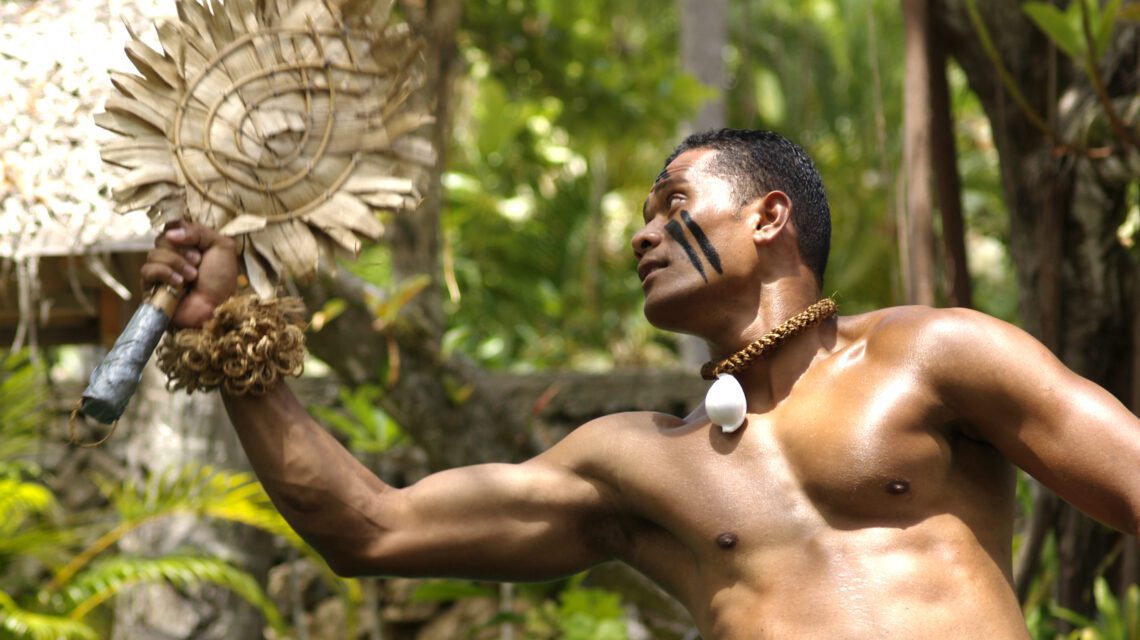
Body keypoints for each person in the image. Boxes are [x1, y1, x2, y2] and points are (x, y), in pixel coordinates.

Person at [141, 128, 1140, 638]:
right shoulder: (629, 461)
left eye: (674, 203)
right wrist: (229, 339)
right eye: (645, 216)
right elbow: (369, 528)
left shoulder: (934, 354)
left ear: (768, 216)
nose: (641, 233)